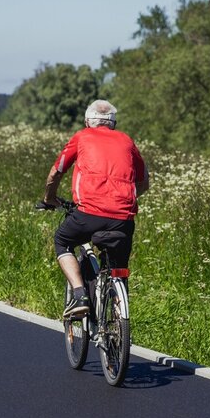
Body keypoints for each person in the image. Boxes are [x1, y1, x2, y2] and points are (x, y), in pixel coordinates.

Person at [43, 100, 149, 317]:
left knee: (62, 241)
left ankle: (80, 294)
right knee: (119, 269)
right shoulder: (127, 141)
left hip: (88, 214)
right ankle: (120, 319)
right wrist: (121, 198)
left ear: (87, 121)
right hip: (123, 218)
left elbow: (57, 172)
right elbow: (144, 182)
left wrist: (49, 198)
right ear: (113, 123)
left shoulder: (81, 137)